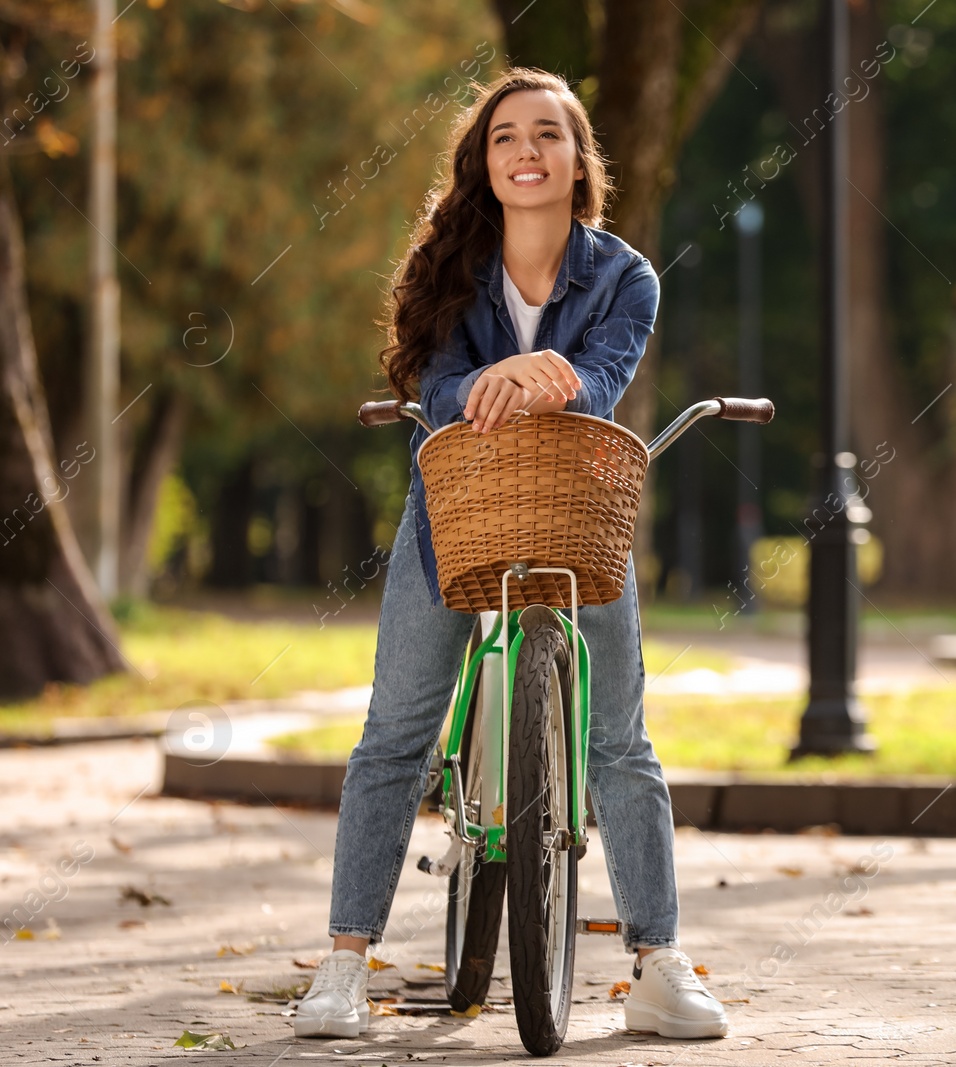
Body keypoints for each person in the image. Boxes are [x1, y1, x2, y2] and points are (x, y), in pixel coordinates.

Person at [292, 67, 726, 1042]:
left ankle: (659, 962)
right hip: (454, 509)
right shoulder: (444, 272)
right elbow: (441, 394)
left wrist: (537, 376)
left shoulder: (625, 277)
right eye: (505, 139)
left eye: (548, 136)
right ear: (483, 166)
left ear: (580, 164)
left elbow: (601, 381)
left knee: (621, 736)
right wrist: (518, 375)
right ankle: (341, 965)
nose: (526, 152)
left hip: (581, 508)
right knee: (395, 732)